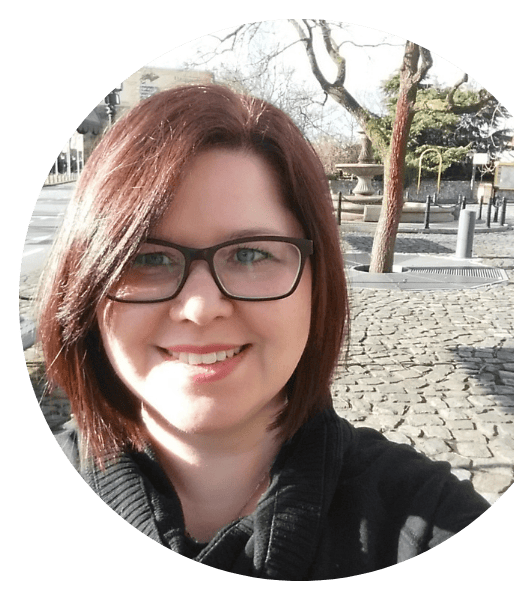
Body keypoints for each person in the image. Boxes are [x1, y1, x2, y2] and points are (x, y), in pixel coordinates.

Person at [37, 84, 489, 580]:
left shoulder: (431, 525)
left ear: (317, 283)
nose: (200, 308)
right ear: (86, 284)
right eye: (148, 259)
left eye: (251, 254)